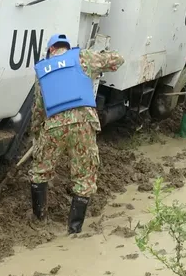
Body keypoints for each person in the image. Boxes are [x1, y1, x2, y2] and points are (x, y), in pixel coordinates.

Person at [28, 34, 125, 234]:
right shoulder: (82, 57)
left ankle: (39, 221)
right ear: (67, 47)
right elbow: (118, 59)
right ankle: (74, 230)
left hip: (54, 125)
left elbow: (38, 108)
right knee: (84, 175)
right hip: (83, 123)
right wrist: (100, 61)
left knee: (40, 171)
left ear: (51, 50)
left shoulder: (42, 69)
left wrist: (36, 133)